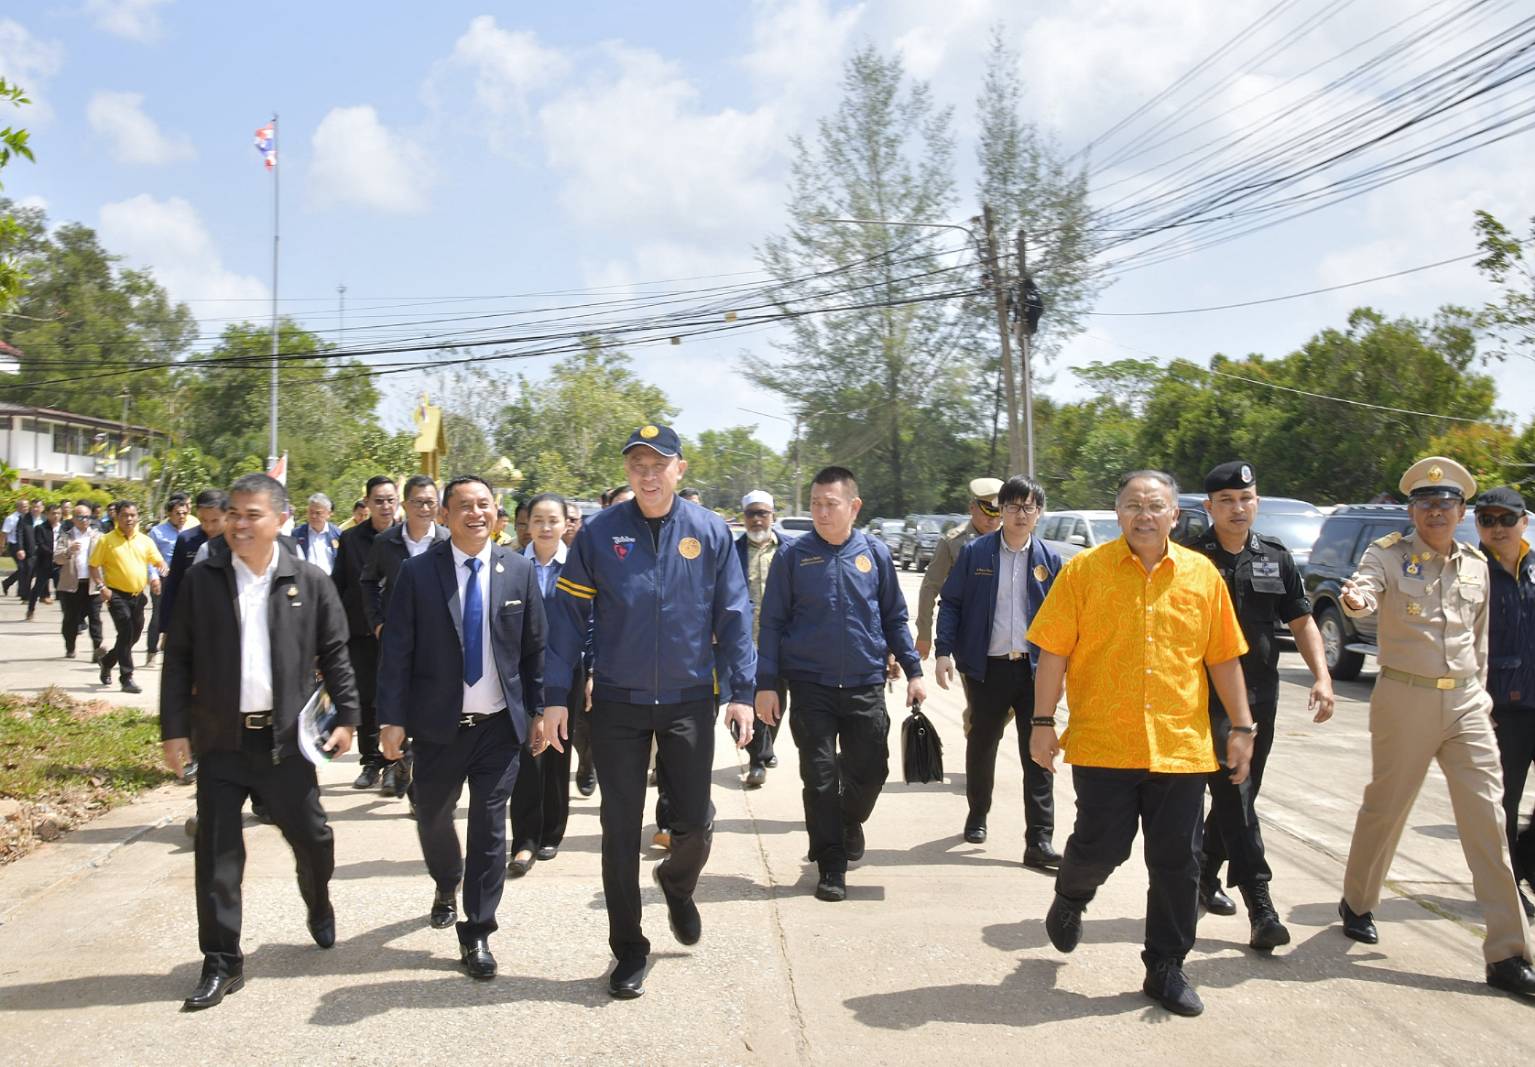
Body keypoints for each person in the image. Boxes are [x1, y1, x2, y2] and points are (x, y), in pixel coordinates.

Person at [537, 424, 755, 1000]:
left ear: (680, 469)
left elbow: (734, 615)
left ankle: (677, 885)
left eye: (659, 464)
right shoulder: (600, 535)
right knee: (617, 828)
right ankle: (629, 948)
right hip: (617, 704)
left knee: (695, 823)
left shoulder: (710, 533)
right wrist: (556, 696)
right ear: (628, 473)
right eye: (637, 465)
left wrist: (741, 691)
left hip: (688, 699)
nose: (648, 474)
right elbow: (566, 623)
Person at [1028, 469, 1254, 1017]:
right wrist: (1041, 721)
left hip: (1180, 745)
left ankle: (1165, 967)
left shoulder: (1202, 576)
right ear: (1118, 513)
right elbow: (1054, 651)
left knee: (1180, 859)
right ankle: (1072, 894)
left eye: (1156, 506)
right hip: (1105, 741)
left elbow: (1223, 656)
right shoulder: (1084, 572)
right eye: (1133, 505)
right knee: (1102, 845)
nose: (1144, 515)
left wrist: (1242, 727)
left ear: (1176, 515)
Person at [1337, 457, 1535, 997]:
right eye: (1427, 505)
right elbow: (1365, 591)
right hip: (1406, 698)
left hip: (1468, 703)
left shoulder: (1475, 563)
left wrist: (1485, 696)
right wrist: (1357, 600)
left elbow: (1481, 638)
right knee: (1387, 806)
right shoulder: (1389, 555)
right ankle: (1358, 899)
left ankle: (1507, 955)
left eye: (1447, 505)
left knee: (1489, 821)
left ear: (1462, 512)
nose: (1437, 513)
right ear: (1412, 511)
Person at [160, 473, 359, 1011]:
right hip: (221, 742)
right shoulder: (204, 580)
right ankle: (222, 961)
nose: (239, 525)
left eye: (252, 515)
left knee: (313, 839)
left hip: (285, 745)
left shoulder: (310, 581)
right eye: (233, 515)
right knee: (218, 856)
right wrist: (174, 729)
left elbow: (337, 654)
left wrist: (347, 718)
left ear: (280, 521)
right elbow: (178, 657)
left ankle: (317, 898)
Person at [377, 475, 546, 981]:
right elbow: (397, 652)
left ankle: (478, 932)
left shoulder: (517, 571)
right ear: (444, 516)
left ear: (497, 513)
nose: (476, 513)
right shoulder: (418, 572)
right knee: (431, 813)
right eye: (464, 506)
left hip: (498, 728)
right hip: (437, 728)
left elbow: (536, 649)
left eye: (484, 505)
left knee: (490, 830)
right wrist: (392, 719)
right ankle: (446, 880)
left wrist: (538, 710)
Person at [1183, 461, 1336, 951]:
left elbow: (1301, 618)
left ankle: (1204, 878)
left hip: (1259, 699)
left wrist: (1322, 675)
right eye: (1226, 500)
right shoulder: (1189, 559)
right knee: (1237, 795)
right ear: (1209, 507)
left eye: (1245, 498)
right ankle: (1260, 904)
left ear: (1257, 501)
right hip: (1202, 700)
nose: (1237, 508)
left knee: (1240, 798)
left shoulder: (1275, 556)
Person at [756, 467, 922, 903]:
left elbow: (893, 617)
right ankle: (830, 862)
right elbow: (771, 622)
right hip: (810, 684)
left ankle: (849, 820)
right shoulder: (793, 556)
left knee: (872, 770)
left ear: (854, 507)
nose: (821, 512)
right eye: (815, 504)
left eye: (830, 504)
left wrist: (914, 669)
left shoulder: (876, 553)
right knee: (820, 776)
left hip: (866, 682)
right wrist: (767, 683)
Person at [934, 475, 1061, 866]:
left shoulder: (1049, 560)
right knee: (982, 743)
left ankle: (1039, 840)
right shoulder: (976, 554)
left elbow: (1064, 619)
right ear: (1000, 511)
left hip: (1034, 671)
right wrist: (943, 652)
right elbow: (951, 602)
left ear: (1039, 513)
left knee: (1038, 753)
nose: (1020, 514)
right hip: (986, 669)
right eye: (1012, 506)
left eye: (1028, 507)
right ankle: (978, 812)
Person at [508, 492, 585, 875]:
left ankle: (552, 832)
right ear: (526, 524)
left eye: (553, 520)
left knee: (557, 752)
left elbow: (590, 621)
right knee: (524, 755)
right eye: (537, 519)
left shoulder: (577, 566)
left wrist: (591, 673)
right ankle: (524, 839)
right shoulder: (508, 564)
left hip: (565, 672)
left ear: (565, 524)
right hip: (519, 672)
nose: (545, 527)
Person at [360, 475, 447, 800]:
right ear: (404, 505)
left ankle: (419, 790)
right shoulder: (387, 542)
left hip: (439, 644)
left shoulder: (448, 541)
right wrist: (378, 623)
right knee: (395, 704)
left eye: (430, 502)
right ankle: (400, 760)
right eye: (418, 502)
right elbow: (368, 582)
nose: (425, 508)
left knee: (430, 710)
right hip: (398, 640)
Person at [1476, 486, 1535, 918]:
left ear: (1524, 522)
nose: (1497, 528)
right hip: (1500, 708)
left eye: (1506, 519)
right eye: (1488, 520)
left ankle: (1527, 863)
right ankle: (1509, 885)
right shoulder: (1469, 570)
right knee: (1504, 802)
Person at [332, 476, 399, 791]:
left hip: (402, 634)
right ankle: (371, 762)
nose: (385, 506)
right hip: (360, 632)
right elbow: (339, 585)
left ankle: (396, 764)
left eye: (390, 499)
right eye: (378, 500)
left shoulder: (407, 537)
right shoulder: (350, 539)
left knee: (396, 699)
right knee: (368, 699)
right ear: (368, 503)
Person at [915, 478, 1003, 659]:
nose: (992, 520)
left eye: (997, 514)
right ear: (972, 507)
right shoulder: (953, 542)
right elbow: (930, 587)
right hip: (968, 632)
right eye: (987, 513)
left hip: (1006, 633)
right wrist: (924, 632)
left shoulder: (1011, 540)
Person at [89, 500, 168, 694]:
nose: (129, 519)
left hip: (138, 596)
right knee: (125, 631)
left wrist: (158, 575)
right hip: (115, 595)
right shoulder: (106, 540)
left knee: (132, 635)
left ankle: (107, 661)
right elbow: (93, 566)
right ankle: (126, 677)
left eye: (132, 515)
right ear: (117, 516)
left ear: (137, 517)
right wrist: (101, 586)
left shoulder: (145, 540)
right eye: (125, 515)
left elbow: (158, 561)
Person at [735, 490, 786, 787]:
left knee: (779, 699)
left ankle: (767, 746)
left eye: (762, 513)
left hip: (780, 644)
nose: (756, 519)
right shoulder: (732, 550)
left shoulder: (790, 549)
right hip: (744, 642)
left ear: (773, 517)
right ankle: (757, 758)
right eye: (751, 513)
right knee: (747, 699)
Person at [161, 489, 229, 634]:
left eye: (215, 520)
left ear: (227, 515)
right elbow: (174, 583)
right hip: (192, 615)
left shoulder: (237, 542)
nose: (209, 526)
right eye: (203, 520)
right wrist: (167, 627)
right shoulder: (186, 540)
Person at [144, 493, 192, 663]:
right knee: (158, 615)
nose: (181, 516)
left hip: (184, 580)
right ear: (169, 514)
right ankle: (151, 652)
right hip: (163, 580)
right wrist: (154, 577)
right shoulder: (157, 532)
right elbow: (149, 558)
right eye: (178, 513)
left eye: (184, 513)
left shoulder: (191, 531)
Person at [53, 504, 104, 659]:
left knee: (95, 618)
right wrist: (69, 551)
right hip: (71, 585)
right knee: (70, 619)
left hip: (92, 585)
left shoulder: (98, 536)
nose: (84, 520)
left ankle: (97, 650)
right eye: (80, 517)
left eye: (87, 517)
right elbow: (57, 558)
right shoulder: (66, 536)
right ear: (74, 519)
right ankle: (70, 647)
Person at [24, 504, 62, 622]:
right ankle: (31, 610)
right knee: (38, 588)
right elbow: (40, 545)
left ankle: (69, 615)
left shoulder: (63, 528)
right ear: (47, 514)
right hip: (44, 564)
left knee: (62, 591)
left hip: (59, 565)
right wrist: (54, 553)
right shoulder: (41, 528)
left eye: (58, 513)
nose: (56, 516)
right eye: (53, 513)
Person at [291, 493, 341, 576]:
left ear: (328, 514)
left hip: (331, 584)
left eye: (318, 513)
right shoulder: (297, 534)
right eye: (311, 512)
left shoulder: (338, 534)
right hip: (306, 583)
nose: (313, 516)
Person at [2, 497, 27, 598]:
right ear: (18, 507)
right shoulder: (11, 518)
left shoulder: (27, 518)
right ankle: (20, 591)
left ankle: (7, 583)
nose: (26, 508)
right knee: (22, 568)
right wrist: (2, 546)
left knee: (25, 568)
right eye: (24, 506)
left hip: (25, 546)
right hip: (14, 546)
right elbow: (4, 533)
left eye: (27, 506)